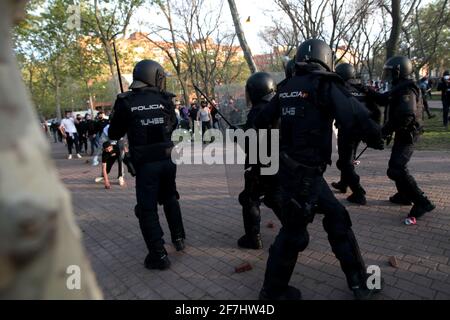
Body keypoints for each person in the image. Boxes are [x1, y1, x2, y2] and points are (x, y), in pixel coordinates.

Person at [254, 39, 384, 300]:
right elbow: (354, 115)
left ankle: (359, 281)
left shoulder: (287, 87)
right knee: (293, 232)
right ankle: (272, 291)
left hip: (294, 171)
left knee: (336, 215)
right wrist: (376, 137)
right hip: (304, 175)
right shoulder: (324, 84)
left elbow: (260, 120)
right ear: (325, 58)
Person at [109, 59, 186, 270]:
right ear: (154, 77)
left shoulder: (125, 101)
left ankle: (158, 255)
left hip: (146, 165)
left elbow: (114, 133)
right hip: (168, 159)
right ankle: (178, 238)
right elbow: (173, 125)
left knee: (147, 209)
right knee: (170, 197)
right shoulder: (165, 99)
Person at [368, 56, 435, 223]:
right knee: (395, 168)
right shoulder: (399, 86)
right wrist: (365, 90)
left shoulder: (407, 89)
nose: (388, 76)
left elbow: (406, 115)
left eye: (390, 73)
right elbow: (384, 99)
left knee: (397, 169)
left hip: (408, 135)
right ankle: (404, 195)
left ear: (399, 71)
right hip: (402, 133)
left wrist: (385, 130)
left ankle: (422, 202)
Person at [237, 72, 282, 250]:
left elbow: (251, 142)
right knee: (274, 196)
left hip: (259, 164)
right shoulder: (278, 106)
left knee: (249, 199)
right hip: (278, 161)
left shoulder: (257, 111)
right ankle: (295, 228)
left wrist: (238, 137)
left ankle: (253, 237)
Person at [331, 63, 382, 205]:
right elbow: (376, 111)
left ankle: (358, 192)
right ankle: (343, 183)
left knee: (344, 162)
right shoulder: (363, 88)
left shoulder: (340, 89)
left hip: (347, 131)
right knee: (349, 158)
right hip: (361, 131)